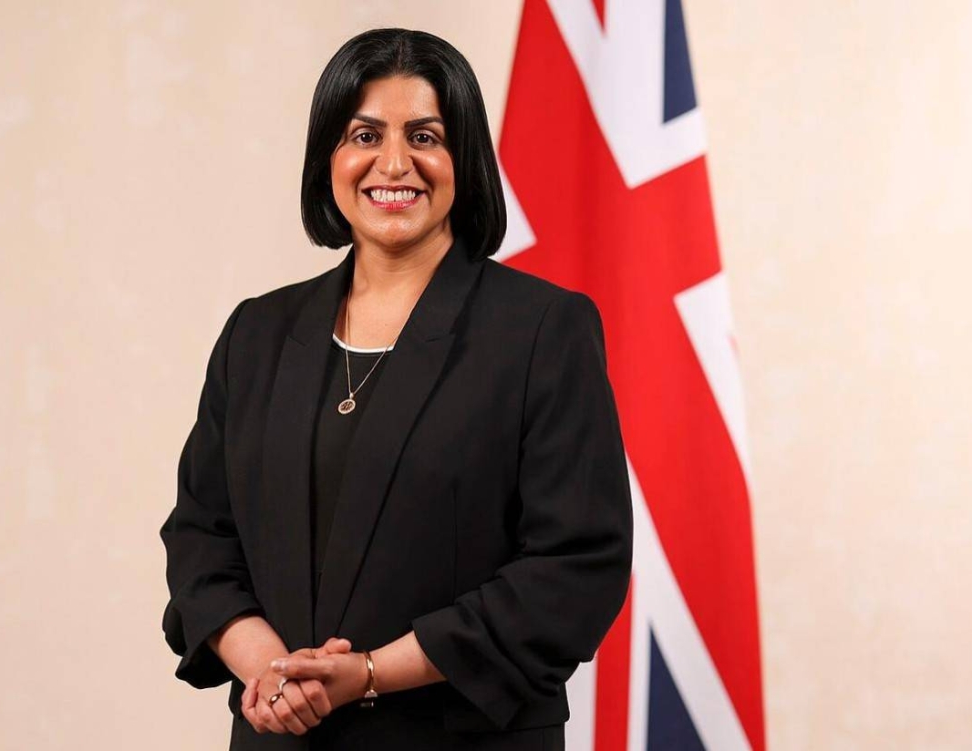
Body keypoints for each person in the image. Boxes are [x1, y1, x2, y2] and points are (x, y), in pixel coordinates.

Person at [159, 27, 633, 750]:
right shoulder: (256, 334)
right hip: (279, 736)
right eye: (365, 134)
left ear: (464, 159)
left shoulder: (542, 330)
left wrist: (371, 672)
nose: (393, 163)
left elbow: (575, 565)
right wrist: (272, 672)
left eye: (425, 136)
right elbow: (201, 536)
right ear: (329, 156)